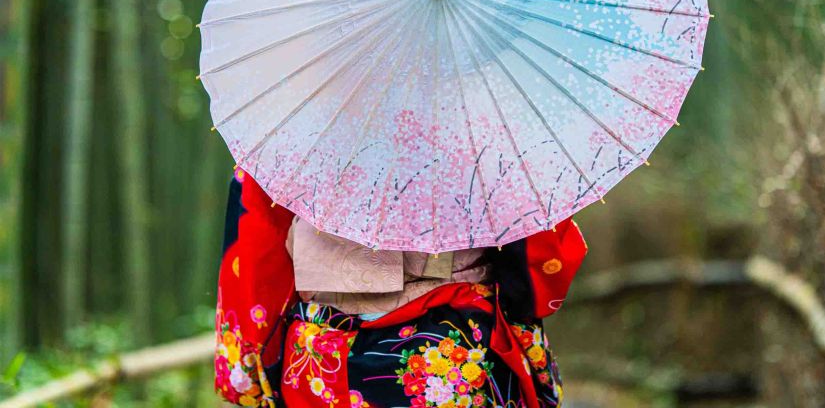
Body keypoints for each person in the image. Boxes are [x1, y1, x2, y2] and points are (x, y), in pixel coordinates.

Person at [214, 168, 587, 407]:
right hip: (448, 350)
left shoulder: (296, 108)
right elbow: (542, 246)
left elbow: (254, 252)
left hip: (319, 357)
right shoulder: (483, 114)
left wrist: (252, 364)